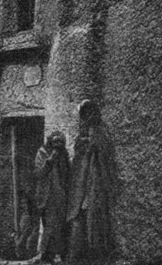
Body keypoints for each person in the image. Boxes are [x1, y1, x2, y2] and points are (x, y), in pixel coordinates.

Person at [67, 100, 114, 261]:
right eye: (84, 114)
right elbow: (78, 154)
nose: (87, 116)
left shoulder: (101, 131)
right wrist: (85, 147)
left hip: (95, 182)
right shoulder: (81, 133)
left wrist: (95, 147)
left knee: (95, 220)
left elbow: (105, 154)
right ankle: (76, 257)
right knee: (77, 219)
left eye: (89, 113)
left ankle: (96, 256)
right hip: (81, 183)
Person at [34, 131, 70, 264]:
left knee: (59, 226)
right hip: (46, 196)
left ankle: (55, 254)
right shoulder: (42, 153)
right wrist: (49, 162)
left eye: (59, 143)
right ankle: (43, 253)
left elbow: (67, 175)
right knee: (49, 225)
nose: (57, 145)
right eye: (54, 142)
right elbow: (38, 174)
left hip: (60, 196)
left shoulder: (64, 155)